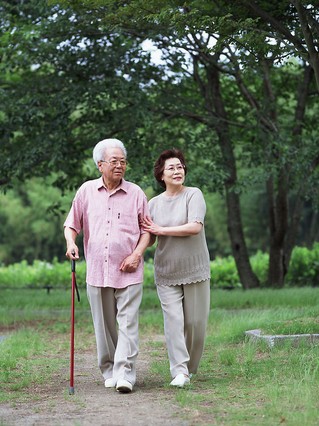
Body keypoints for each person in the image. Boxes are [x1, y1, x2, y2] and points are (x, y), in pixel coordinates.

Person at [64, 138, 150, 393]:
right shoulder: (86, 191)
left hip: (130, 271)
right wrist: (71, 243)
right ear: (100, 164)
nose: (120, 166)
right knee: (104, 326)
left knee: (128, 323)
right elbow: (72, 224)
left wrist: (137, 254)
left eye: (123, 162)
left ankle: (125, 373)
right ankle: (109, 368)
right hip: (97, 271)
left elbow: (147, 230)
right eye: (114, 161)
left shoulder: (136, 193)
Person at [142, 148, 211, 388]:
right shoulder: (152, 204)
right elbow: (148, 238)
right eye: (171, 167)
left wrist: (161, 230)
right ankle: (179, 371)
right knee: (173, 322)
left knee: (195, 325)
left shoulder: (194, 195)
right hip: (166, 271)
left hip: (195, 270)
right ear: (161, 174)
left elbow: (195, 227)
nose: (177, 170)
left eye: (180, 166)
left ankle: (190, 369)